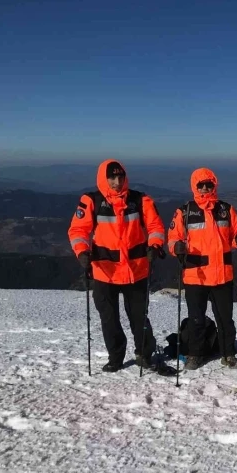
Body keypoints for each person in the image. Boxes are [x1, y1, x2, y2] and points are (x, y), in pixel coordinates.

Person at [68, 159, 165, 372]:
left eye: (120, 176)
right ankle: (116, 356)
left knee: (139, 317)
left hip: (136, 269)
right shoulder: (90, 201)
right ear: (104, 178)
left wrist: (155, 244)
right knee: (109, 319)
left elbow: (155, 225)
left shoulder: (140, 199)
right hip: (105, 271)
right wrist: (82, 252)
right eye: (112, 177)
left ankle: (145, 354)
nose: (116, 181)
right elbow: (78, 231)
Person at [167, 168, 237, 369]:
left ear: (214, 185)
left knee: (225, 318)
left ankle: (228, 353)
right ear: (195, 186)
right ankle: (195, 354)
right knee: (196, 318)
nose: (204, 188)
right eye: (200, 185)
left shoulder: (226, 209)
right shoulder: (184, 212)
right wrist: (176, 247)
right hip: (196, 275)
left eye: (208, 184)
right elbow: (173, 238)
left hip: (222, 274)